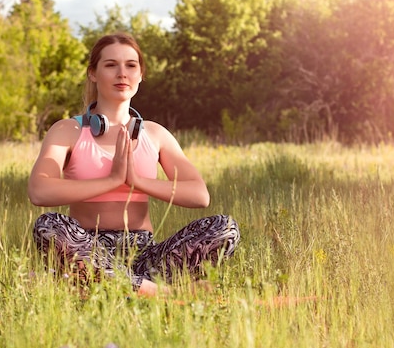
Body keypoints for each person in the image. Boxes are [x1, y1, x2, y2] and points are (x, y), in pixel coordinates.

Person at [28, 32, 240, 296]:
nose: (122, 73)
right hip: (87, 250)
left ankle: (105, 286)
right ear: (93, 73)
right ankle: (161, 293)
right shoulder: (68, 130)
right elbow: (39, 191)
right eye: (110, 65)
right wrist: (111, 181)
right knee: (48, 225)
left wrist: (137, 182)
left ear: (141, 75)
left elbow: (200, 195)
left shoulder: (155, 134)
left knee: (225, 228)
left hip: (146, 257)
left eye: (131, 65)